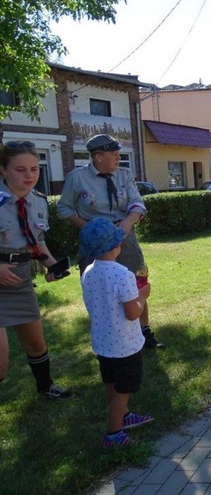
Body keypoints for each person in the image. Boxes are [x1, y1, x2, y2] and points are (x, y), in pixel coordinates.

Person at [58, 134, 164, 349]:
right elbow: (64, 208)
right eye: (113, 154)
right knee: (99, 287)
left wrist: (126, 224)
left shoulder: (124, 175)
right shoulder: (77, 178)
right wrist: (86, 227)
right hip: (95, 239)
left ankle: (144, 335)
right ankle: (107, 334)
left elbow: (137, 203)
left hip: (124, 235)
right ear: (98, 157)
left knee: (137, 282)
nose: (118, 157)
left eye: (118, 153)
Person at [0, 140, 72, 399]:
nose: (29, 175)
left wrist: (51, 265)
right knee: (1, 360)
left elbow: (36, 241)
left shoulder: (39, 202)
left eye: (34, 169)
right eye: (20, 170)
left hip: (19, 278)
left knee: (36, 342)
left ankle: (45, 387)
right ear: (3, 170)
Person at [79, 218, 154, 448]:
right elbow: (133, 313)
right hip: (124, 344)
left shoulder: (88, 272)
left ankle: (124, 415)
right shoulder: (123, 275)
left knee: (110, 381)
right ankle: (113, 434)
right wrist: (143, 295)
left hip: (103, 341)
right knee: (125, 387)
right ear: (116, 246)